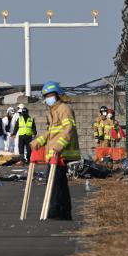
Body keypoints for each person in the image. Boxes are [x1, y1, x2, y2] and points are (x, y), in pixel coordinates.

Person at [30, 81, 80, 221]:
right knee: (60, 183)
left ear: (57, 95)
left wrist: (59, 146)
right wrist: (38, 142)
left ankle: (56, 209)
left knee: (55, 182)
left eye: (50, 95)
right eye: (46, 96)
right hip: (55, 153)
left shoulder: (64, 109)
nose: (48, 98)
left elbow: (69, 129)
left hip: (61, 152)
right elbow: (51, 132)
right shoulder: (54, 111)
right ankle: (63, 212)